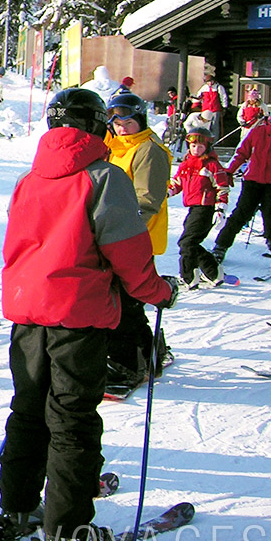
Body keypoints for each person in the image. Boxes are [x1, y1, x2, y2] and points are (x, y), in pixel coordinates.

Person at [0, 87, 178, 541]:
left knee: (30, 409)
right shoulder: (103, 177)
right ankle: (66, 534)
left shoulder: (30, 179)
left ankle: (16, 507)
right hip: (76, 315)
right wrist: (157, 292)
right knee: (72, 419)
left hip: (28, 313)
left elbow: (17, 244)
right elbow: (129, 252)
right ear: (95, 126)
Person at [102, 91, 175, 387]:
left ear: (140, 119)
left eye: (127, 120)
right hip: (116, 234)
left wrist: (124, 232)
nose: (121, 126)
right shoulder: (116, 146)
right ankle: (152, 351)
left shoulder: (147, 149)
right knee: (127, 300)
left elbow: (148, 199)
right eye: (115, 120)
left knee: (128, 301)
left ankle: (139, 360)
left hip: (135, 235)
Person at [211, 103, 271, 270]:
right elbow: (242, 152)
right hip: (252, 180)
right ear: (268, 119)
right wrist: (229, 171)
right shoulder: (257, 131)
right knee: (240, 215)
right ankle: (220, 247)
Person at [168, 128, 230, 287]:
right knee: (191, 242)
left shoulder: (212, 165)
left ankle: (188, 276)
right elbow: (177, 183)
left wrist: (220, 209)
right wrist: (166, 192)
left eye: (200, 147)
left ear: (207, 147)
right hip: (193, 208)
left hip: (205, 208)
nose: (196, 149)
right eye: (193, 146)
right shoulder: (187, 164)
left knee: (187, 243)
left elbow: (222, 187)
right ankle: (214, 273)